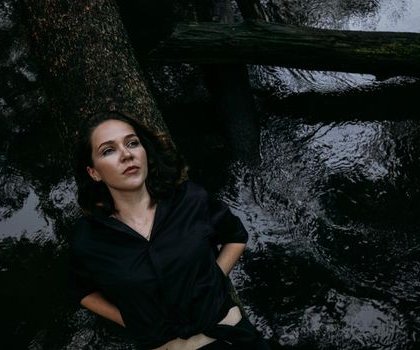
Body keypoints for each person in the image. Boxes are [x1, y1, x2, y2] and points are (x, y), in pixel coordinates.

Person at [70, 110, 271, 349]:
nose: (126, 155)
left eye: (132, 143)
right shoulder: (89, 238)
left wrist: (213, 279)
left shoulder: (190, 199)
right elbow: (82, 291)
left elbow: (235, 236)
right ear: (93, 172)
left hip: (231, 340)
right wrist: (133, 320)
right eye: (108, 150)